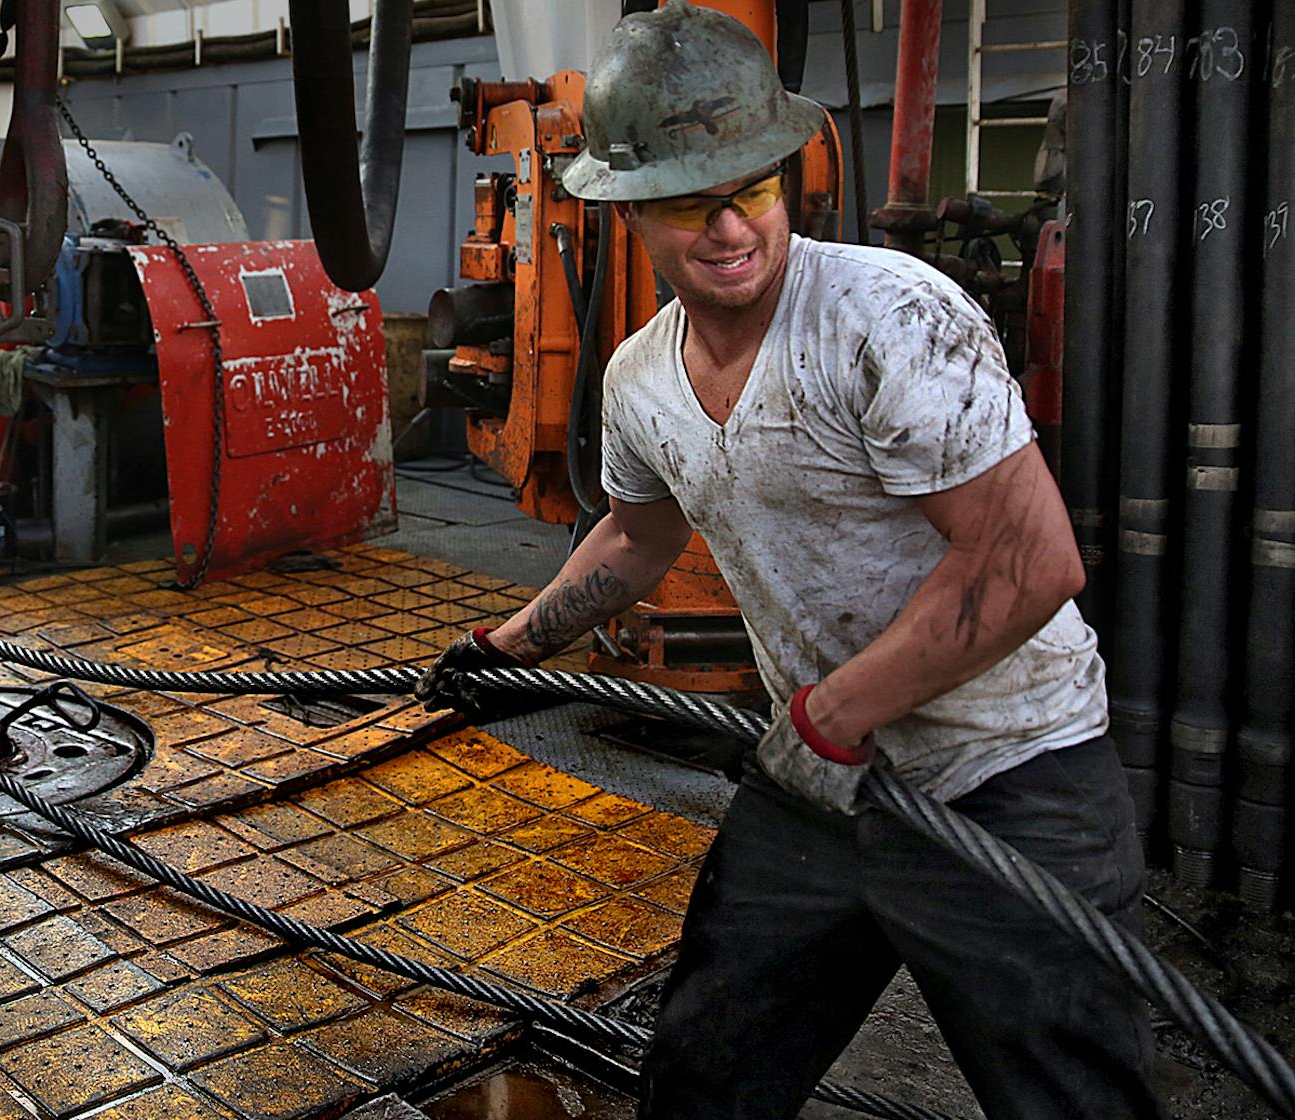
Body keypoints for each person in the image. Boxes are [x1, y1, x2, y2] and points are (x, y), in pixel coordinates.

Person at [415, 5, 1158, 1118]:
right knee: (705, 1076)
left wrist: (830, 715)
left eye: (752, 187)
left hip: (1010, 778)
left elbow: (1027, 562)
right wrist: (508, 646)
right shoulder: (638, 379)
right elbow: (637, 533)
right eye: (688, 198)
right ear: (628, 208)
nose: (728, 226)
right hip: (822, 782)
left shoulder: (890, 319)